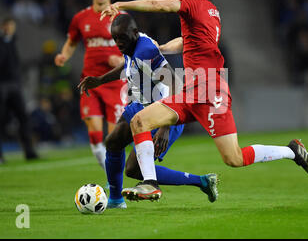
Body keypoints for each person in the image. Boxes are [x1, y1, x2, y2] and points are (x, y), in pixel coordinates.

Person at [100, 0, 308, 201]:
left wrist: (121, 4)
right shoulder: (212, 12)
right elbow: (186, 41)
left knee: (234, 158)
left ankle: (291, 151)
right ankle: (150, 183)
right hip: (191, 88)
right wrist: (162, 47)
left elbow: (157, 5)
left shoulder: (192, 5)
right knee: (140, 121)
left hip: (211, 90)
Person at [78, 13, 218, 208]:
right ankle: (116, 200)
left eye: (122, 39)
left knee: (134, 169)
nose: (118, 43)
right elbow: (127, 65)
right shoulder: (131, 44)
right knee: (113, 142)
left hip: (164, 112)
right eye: (115, 39)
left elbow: (175, 83)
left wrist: (166, 126)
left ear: (134, 33)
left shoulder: (145, 51)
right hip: (140, 106)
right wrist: (100, 80)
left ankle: (202, 181)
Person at [55, 0, 128, 172]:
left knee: (114, 139)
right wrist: (63, 55)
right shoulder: (81, 18)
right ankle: (110, 177)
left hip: (116, 83)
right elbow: (71, 42)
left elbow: (135, 48)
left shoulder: (122, 17)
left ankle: (114, 179)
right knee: (95, 134)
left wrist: (122, 61)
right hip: (90, 83)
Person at [0, 17, 39, 163]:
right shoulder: (3, 42)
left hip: (14, 86)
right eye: (8, 25)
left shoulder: (13, 42)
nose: (10, 28)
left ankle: (29, 152)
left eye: (12, 26)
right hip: (2, 85)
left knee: (23, 117)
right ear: (3, 26)